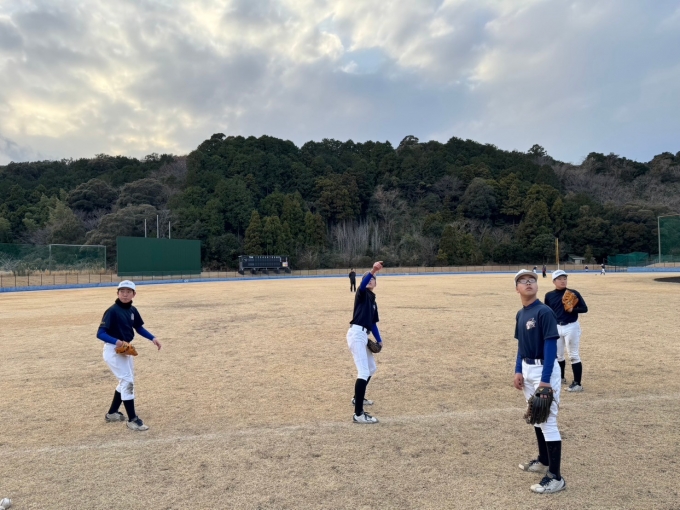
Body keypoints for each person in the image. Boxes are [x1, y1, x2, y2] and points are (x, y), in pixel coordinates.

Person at [513, 269, 566, 494]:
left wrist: (545, 380)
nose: (528, 283)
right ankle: (544, 460)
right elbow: (521, 345)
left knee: (548, 421)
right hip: (527, 369)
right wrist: (518, 370)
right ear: (517, 289)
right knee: (536, 416)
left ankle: (556, 477)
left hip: (544, 370)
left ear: (537, 286)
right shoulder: (521, 314)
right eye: (523, 281)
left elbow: (551, 344)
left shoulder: (544, 312)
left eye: (532, 280)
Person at [97, 280, 162, 431]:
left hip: (125, 350)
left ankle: (112, 413)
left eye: (128, 292)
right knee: (127, 381)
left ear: (134, 294)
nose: (125, 294)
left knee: (126, 379)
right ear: (117, 293)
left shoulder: (132, 310)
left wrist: (153, 338)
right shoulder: (112, 311)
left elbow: (138, 327)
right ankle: (132, 420)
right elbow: (100, 333)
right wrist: (117, 341)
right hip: (113, 349)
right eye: (122, 291)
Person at [347, 261, 383, 424]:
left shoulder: (373, 301)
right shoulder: (361, 294)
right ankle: (359, 414)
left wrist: (379, 340)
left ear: (376, 284)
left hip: (364, 335)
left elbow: (373, 324)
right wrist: (373, 270)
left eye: (373, 279)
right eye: (368, 278)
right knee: (363, 372)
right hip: (356, 334)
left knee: (371, 368)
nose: (370, 280)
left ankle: (357, 398)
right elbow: (362, 285)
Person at [544, 270, 588, 392]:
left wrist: (573, 310)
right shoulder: (549, 295)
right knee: (558, 355)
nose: (563, 281)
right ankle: (561, 377)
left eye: (564, 278)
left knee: (573, 355)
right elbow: (547, 312)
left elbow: (584, 309)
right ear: (554, 281)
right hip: (556, 327)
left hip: (571, 326)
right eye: (559, 279)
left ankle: (577, 384)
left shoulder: (573, 293)